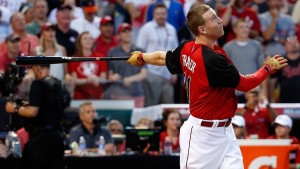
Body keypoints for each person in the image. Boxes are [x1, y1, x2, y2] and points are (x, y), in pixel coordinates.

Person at [126, 4, 288, 168]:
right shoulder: (211, 59)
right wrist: (268, 68)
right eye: (213, 18)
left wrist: (142, 57)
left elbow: (163, 57)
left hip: (226, 131)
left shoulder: (187, 48)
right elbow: (245, 84)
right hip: (202, 136)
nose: (220, 20)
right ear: (202, 29)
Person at [5, 64, 66, 169]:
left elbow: (33, 112)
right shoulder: (58, 83)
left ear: (37, 68)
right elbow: (49, 106)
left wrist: (14, 108)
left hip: (41, 141)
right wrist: (26, 105)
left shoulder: (38, 84)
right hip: (57, 137)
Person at [223, 19, 265, 103]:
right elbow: (225, 72)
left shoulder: (257, 45)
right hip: (235, 91)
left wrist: (263, 92)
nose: (245, 29)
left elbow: (263, 69)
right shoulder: (228, 47)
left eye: (247, 27)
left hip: (254, 90)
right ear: (235, 30)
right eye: (241, 27)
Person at [105, 23, 147, 107]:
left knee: (137, 118)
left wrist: (129, 79)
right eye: (124, 31)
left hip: (137, 92)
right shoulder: (112, 52)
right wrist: (112, 77)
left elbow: (144, 74)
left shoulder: (140, 51)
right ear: (119, 36)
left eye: (129, 31)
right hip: (118, 92)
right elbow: (110, 73)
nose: (128, 33)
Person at [68, 31, 107, 99]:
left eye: (90, 39)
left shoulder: (100, 57)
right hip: (79, 96)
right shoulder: (74, 59)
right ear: (80, 42)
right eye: (85, 39)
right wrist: (88, 80)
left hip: (97, 95)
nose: (88, 41)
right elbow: (74, 80)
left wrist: (96, 78)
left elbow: (103, 78)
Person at [269, 36, 300, 103]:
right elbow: (272, 82)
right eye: (290, 43)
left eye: (295, 42)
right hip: (285, 101)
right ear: (285, 47)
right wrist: (271, 100)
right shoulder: (279, 62)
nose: (293, 45)